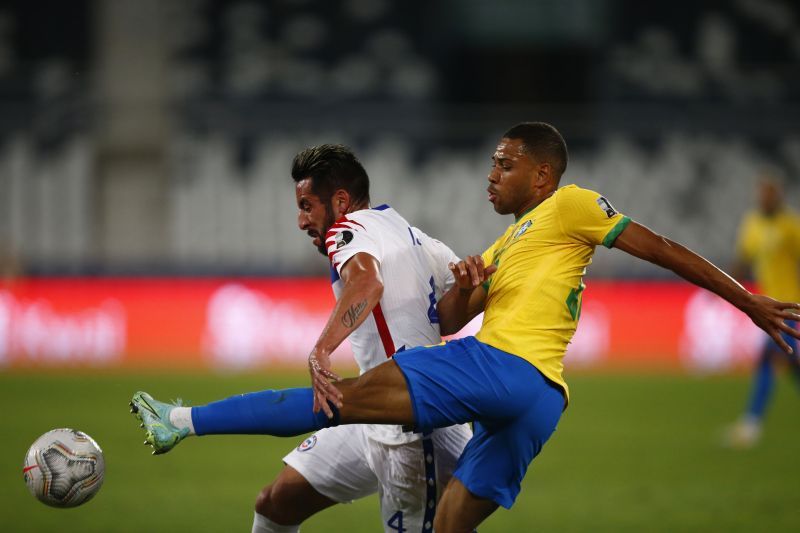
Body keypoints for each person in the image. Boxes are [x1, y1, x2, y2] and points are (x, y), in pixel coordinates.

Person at [132, 123, 800, 532]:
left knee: (325, 400)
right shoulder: (484, 243)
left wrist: (749, 300)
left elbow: (656, 244)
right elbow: (447, 310)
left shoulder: (570, 203)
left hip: (483, 379)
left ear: (541, 173)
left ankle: (183, 421)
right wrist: (467, 285)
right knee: (297, 501)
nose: (490, 174)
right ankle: (184, 421)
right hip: (531, 401)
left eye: (504, 164)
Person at [152, 144, 472, 533]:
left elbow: (367, 283)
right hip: (376, 413)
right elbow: (453, 311)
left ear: (340, 202)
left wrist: (321, 350)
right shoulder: (411, 234)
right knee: (276, 503)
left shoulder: (347, 230)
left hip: (413, 434)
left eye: (306, 206)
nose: (301, 221)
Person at [724, 175, 800, 448]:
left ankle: (751, 424)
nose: (764, 198)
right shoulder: (752, 224)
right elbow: (743, 259)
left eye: (770, 193)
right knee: (791, 364)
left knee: (767, 359)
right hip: (768, 306)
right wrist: (725, 286)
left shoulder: (791, 226)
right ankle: (750, 423)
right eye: (762, 193)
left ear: (778, 195)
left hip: (790, 306)